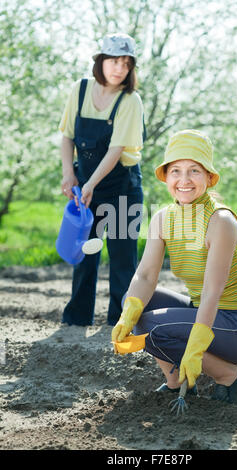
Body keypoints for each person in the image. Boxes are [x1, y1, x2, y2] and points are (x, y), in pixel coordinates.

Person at [111, 129, 237, 404]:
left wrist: (196, 344)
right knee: (133, 303)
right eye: (176, 171)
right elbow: (146, 275)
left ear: (209, 177)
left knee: (152, 327)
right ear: (166, 177)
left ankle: (231, 376)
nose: (184, 180)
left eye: (194, 171)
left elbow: (212, 292)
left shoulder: (221, 221)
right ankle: (176, 383)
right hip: (206, 312)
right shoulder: (162, 218)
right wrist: (127, 315)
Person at [59, 33, 145, 326]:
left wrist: (90, 185)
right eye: (113, 61)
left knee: (122, 260)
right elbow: (67, 135)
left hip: (123, 189)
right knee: (84, 253)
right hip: (85, 185)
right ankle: (76, 319)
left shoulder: (131, 101)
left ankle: (121, 324)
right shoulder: (80, 90)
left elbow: (115, 149)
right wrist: (69, 174)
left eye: (125, 63)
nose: (119, 68)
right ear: (100, 61)